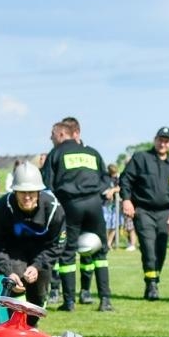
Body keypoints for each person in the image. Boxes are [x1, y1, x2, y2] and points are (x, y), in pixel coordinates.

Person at [41, 117, 113, 312]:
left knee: (67, 254)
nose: (51, 138)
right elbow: (106, 179)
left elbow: (47, 181)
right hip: (94, 203)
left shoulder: (56, 153)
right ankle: (105, 300)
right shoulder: (92, 153)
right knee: (100, 252)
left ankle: (69, 302)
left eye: (53, 135)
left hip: (70, 204)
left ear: (62, 134)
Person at [0, 161, 67, 308]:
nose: (27, 197)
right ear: (14, 191)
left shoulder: (54, 210)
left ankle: (33, 326)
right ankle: (14, 324)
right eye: (22, 192)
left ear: (39, 192)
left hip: (42, 251)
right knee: (15, 281)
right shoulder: (2, 209)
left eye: (31, 192)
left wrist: (37, 265)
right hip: (13, 251)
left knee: (38, 293)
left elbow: (56, 245)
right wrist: (7, 271)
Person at [120, 126, 169, 299]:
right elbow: (126, 179)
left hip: (165, 213)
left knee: (161, 250)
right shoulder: (141, 158)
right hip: (144, 211)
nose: (163, 143)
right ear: (155, 140)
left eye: (166, 140)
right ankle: (151, 285)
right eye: (160, 139)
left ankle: (154, 279)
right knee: (148, 248)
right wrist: (126, 200)